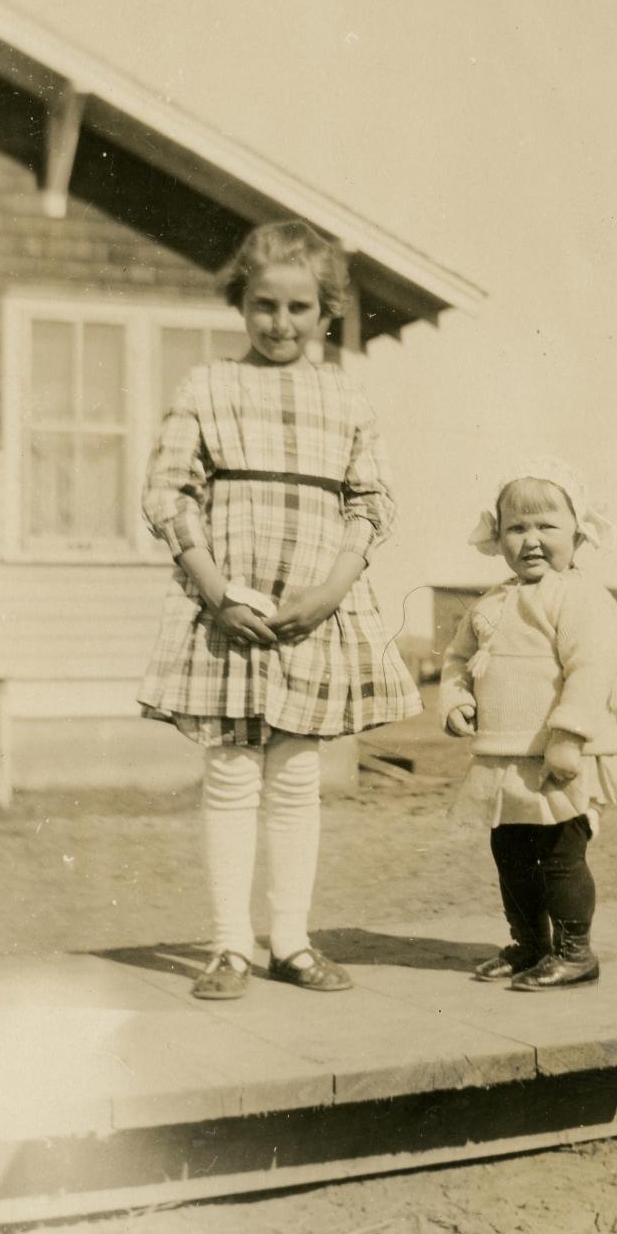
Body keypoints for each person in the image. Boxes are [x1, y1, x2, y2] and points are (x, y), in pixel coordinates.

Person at [139, 220, 422, 1000]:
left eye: (300, 308)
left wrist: (332, 589)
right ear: (241, 303)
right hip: (229, 614)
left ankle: (290, 940)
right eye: (264, 304)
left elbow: (373, 501)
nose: (280, 323)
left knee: (296, 780)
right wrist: (216, 590)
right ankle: (231, 945)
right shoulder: (207, 388)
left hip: (313, 612)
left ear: (327, 313)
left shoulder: (347, 397)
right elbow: (169, 494)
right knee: (230, 775)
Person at [439, 458, 617, 990]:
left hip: (557, 755)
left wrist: (568, 735)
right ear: (496, 537)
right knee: (509, 854)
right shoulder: (491, 601)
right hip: (505, 755)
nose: (531, 540)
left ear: (579, 533)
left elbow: (590, 668)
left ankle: (576, 951)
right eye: (516, 528)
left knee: (559, 854)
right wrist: (455, 698)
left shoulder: (579, 597)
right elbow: (459, 658)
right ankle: (530, 944)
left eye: (547, 526)